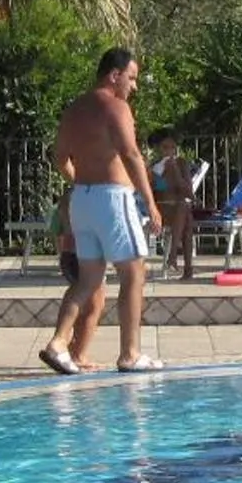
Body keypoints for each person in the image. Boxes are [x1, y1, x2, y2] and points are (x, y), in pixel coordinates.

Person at [51, 47, 166, 372]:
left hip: (83, 200)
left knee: (87, 280)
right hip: (113, 199)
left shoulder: (74, 109)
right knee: (133, 273)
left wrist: (81, 182)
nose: (134, 86)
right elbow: (131, 154)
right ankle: (130, 353)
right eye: (131, 78)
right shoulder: (116, 107)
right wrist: (151, 202)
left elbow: (60, 157)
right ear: (114, 75)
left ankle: (59, 344)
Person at [40, 155, 107, 376]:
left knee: (86, 302)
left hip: (70, 253)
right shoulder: (80, 195)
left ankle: (71, 350)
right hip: (82, 253)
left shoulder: (70, 195)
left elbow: (60, 228)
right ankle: (78, 354)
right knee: (94, 305)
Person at [151, 129, 198, 282]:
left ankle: (173, 256)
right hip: (162, 209)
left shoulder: (181, 163)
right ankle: (185, 267)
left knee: (184, 212)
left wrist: (176, 172)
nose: (169, 151)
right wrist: (161, 175)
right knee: (185, 215)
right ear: (159, 148)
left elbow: (189, 193)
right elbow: (157, 192)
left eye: (172, 148)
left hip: (178, 209)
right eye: (165, 147)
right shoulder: (154, 167)